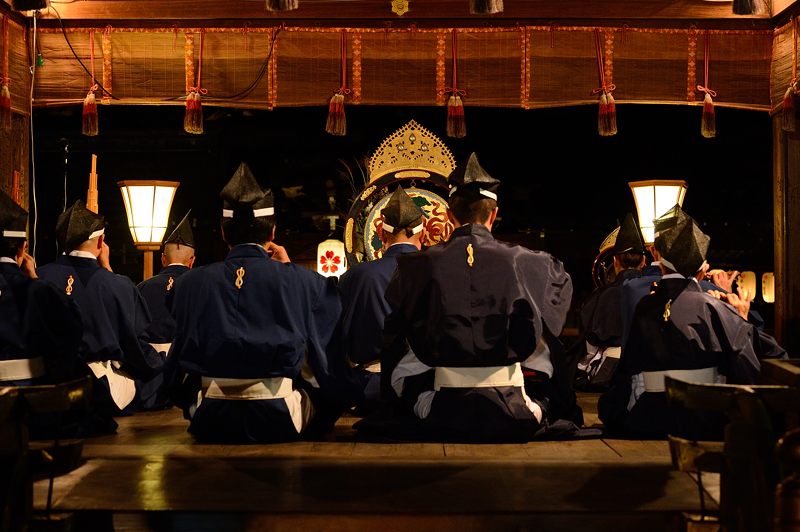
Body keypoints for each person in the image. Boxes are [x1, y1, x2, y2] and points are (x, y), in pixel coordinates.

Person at [380, 153, 573, 442]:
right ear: (493, 214)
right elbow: (557, 307)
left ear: (448, 215)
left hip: (439, 412)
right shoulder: (531, 262)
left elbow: (396, 331)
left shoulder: (417, 266)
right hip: (515, 411)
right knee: (547, 349)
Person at [169, 162, 358, 443]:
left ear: (223, 232)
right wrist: (290, 272)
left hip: (210, 415)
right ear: (272, 233)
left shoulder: (189, 284)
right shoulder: (306, 282)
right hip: (279, 414)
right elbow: (328, 355)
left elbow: (180, 358)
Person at [598, 212, 786, 439]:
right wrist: (743, 320)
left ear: (660, 262)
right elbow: (755, 362)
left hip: (649, 418)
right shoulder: (714, 306)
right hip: (705, 420)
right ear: (702, 269)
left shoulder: (644, 308)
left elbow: (626, 374)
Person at [37, 200, 164, 430]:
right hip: (97, 382)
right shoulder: (116, 284)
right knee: (157, 377)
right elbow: (134, 344)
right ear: (102, 242)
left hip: (44, 380)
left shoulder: (39, 276)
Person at [338, 187, 425, 409]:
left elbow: (338, 338)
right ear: (423, 235)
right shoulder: (437, 272)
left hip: (371, 388)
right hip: (423, 386)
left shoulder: (355, 276)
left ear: (381, 234)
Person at [0, 191, 83, 387]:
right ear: (23, 248)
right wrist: (36, 280)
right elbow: (72, 331)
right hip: (28, 388)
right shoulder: (37, 291)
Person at [576, 213, 645, 391]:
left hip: (609, 376)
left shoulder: (600, 296)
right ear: (644, 261)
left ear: (614, 261)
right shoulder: (655, 290)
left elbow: (588, 336)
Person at [137, 211, 196, 409]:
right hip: (186, 365)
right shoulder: (200, 285)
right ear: (192, 261)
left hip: (150, 368)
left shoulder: (143, 287)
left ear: (163, 259)